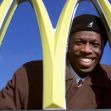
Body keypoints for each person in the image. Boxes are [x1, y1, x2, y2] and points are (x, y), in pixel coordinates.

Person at [0, 14, 111, 109]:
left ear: (102, 48)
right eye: (79, 42)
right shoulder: (29, 74)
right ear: (68, 44)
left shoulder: (108, 77)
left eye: (95, 44)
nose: (86, 50)